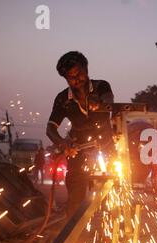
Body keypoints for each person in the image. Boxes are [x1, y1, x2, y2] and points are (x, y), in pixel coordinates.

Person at [46, 51, 115, 217]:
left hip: (106, 147)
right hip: (78, 150)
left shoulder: (101, 87)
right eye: (71, 77)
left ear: (86, 68)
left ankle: (107, 234)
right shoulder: (63, 100)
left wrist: (99, 101)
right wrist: (62, 143)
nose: (77, 80)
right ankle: (73, 235)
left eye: (80, 74)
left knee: (109, 194)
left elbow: (109, 100)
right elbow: (50, 128)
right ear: (65, 78)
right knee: (76, 196)